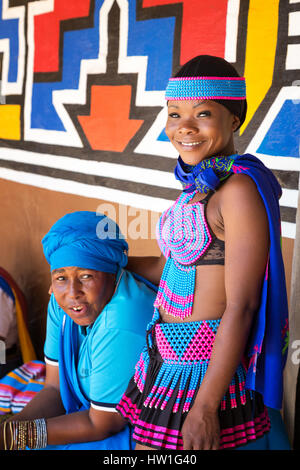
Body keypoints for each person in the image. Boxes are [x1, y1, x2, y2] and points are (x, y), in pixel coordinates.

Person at [116, 55, 290, 450]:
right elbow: (174, 266)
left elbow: (242, 306)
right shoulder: (199, 186)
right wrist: (112, 261)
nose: (184, 128)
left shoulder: (239, 191)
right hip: (164, 360)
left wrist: (206, 407)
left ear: (234, 119)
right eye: (174, 114)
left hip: (203, 371)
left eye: (203, 113)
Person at [0, 211, 156, 450]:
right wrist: (9, 431)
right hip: (91, 415)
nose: (72, 292)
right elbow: (54, 388)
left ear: (113, 274)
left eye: (86, 276)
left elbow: (103, 424)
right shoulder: (62, 304)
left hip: (133, 431)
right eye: (61, 277)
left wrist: (16, 437)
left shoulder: (122, 318)